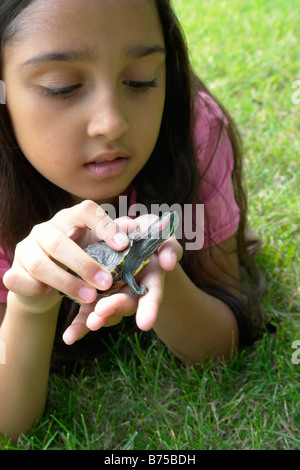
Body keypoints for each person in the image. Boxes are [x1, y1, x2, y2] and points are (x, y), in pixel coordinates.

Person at [0, 0, 264, 441]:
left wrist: (164, 274)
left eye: (141, 80)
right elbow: (9, 422)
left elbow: (224, 346)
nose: (111, 123)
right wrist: (32, 301)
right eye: (61, 86)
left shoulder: (194, 133)